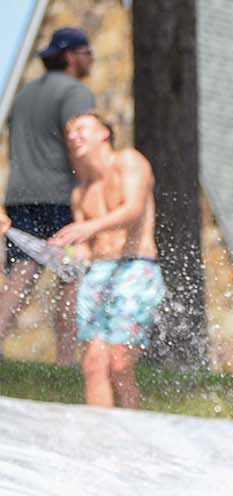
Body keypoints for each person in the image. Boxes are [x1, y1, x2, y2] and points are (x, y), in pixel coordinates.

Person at [46, 113, 161, 410]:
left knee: (120, 363)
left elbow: (133, 208)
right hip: (98, 273)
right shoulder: (82, 190)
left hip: (135, 267)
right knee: (94, 365)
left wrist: (89, 227)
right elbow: (84, 250)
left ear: (104, 134)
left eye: (81, 128)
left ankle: (130, 436)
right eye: (70, 131)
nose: (73, 135)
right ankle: (101, 443)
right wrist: (62, 251)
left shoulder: (129, 161)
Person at [0, 27, 93, 364]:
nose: (91, 60)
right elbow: (78, 145)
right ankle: (66, 360)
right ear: (70, 56)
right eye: (87, 53)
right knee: (72, 274)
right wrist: (89, 192)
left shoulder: (23, 94)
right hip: (60, 197)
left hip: (19, 196)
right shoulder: (76, 93)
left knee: (20, 274)